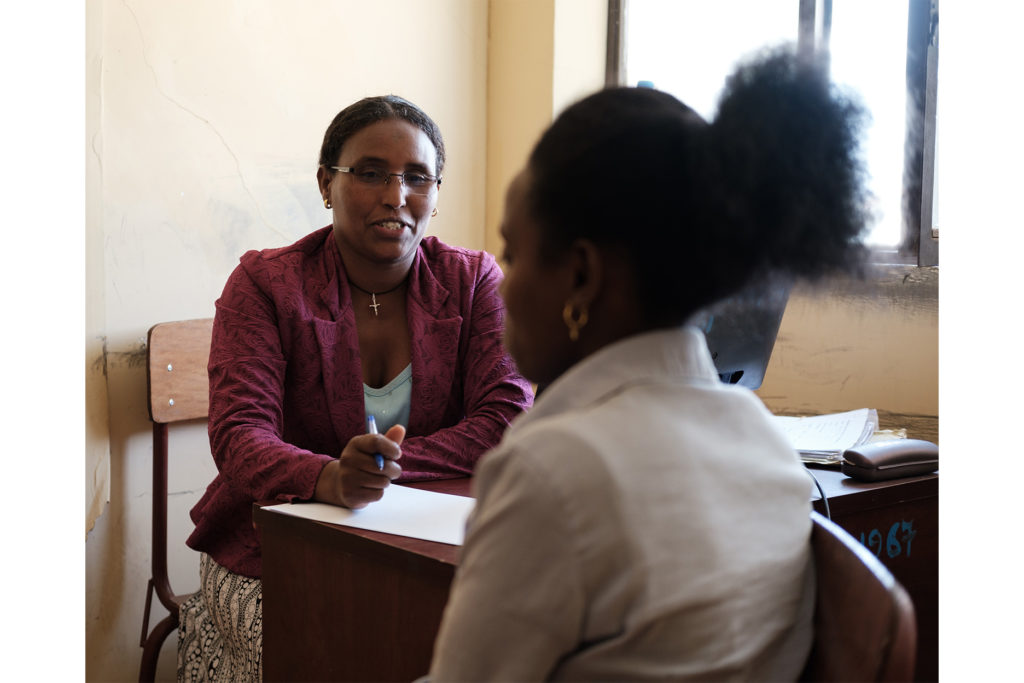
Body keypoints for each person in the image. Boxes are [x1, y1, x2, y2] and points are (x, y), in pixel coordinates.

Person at [428, 46, 870, 681]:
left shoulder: (552, 473)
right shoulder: (764, 442)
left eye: (514, 253)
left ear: (580, 275)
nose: (501, 286)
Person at [177, 95, 533, 681]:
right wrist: (328, 479)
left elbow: (506, 417)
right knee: (332, 649)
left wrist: (382, 469)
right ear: (326, 183)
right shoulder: (266, 284)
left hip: (429, 544)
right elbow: (240, 435)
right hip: (271, 548)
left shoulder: (471, 281)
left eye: (418, 177)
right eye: (371, 173)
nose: (396, 196)